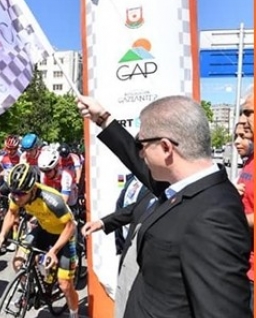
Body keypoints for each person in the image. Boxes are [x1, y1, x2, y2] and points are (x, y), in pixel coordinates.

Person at [77, 94, 250, 318]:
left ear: (166, 148)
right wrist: (102, 118)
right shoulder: (184, 186)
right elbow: (137, 162)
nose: (140, 152)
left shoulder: (215, 215)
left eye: (142, 144)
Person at [0, 163, 80, 318]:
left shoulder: (51, 199)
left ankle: (74, 314)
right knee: (18, 262)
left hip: (65, 234)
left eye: (21, 194)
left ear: (32, 189)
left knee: (65, 284)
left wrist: (54, 251)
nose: (16, 197)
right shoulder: (16, 195)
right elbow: (12, 214)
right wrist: (1, 235)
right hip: (44, 229)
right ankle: (30, 292)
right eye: (14, 193)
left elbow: (70, 226)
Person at [234, 115, 254, 311]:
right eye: (236, 136)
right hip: (244, 263)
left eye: (243, 136)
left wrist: (234, 221)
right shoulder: (249, 162)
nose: (237, 141)